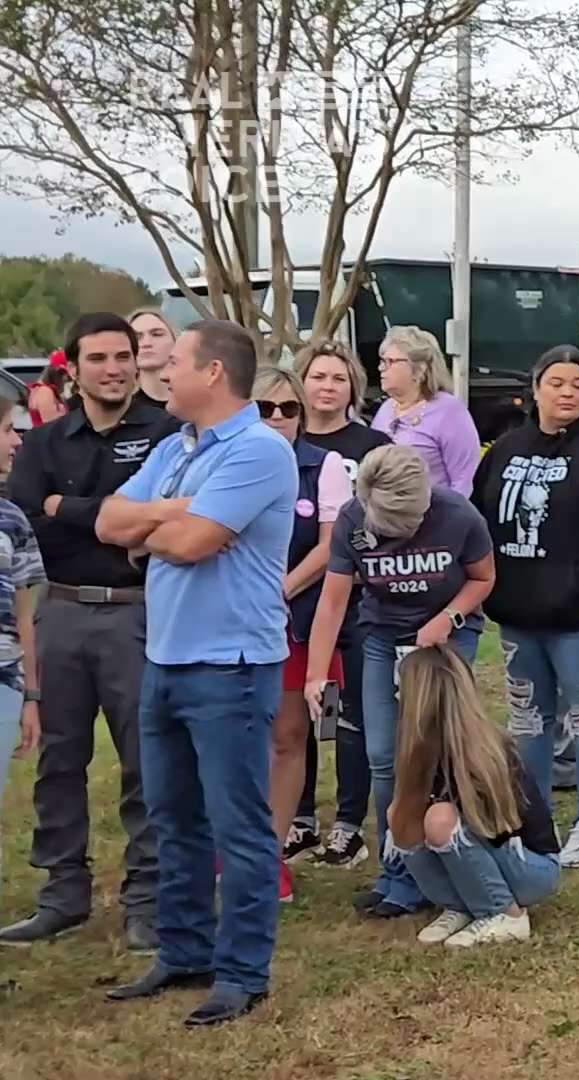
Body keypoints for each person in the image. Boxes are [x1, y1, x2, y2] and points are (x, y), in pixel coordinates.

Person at [95, 318, 296, 1027]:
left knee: (236, 825)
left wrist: (159, 526)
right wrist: (165, 515)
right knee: (173, 816)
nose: (161, 368)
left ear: (213, 372)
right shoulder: (174, 447)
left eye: (173, 359)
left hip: (231, 666)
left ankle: (243, 971)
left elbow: (189, 542)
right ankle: (185, 951)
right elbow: (106, 524)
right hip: (166, 660)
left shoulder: (260, 452)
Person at [2, 313, 176, 951]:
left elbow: (163, 521)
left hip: (140, 611)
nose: (114, 368)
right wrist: (115, 517)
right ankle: (61, 894)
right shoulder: (46, 443)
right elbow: (25, 521)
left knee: (145, 761)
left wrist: (67, 508)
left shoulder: (169, 434)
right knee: (59, 758)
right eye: (98, 358)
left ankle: (148, 901)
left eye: (123, 356)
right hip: (63, 610)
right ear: (73, 369)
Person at [303, 445, 494, 919]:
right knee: (384, 754)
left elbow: (483, 578)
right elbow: (332, 603)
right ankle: (400, 875)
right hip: (383, 637)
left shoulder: (458, 515)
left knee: (437, 751)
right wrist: (315, 673)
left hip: (446, 636)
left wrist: (448, 617)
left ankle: (456, 860)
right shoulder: (351, 520)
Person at [472, 346, 579, 867]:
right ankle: (534, 821)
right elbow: (479, 518)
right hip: (518, 613)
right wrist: (493, 587)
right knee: (527, 720)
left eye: (577, 383)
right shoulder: (505, 448)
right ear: (536, 388)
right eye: (557, 383)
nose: (568, 393)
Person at [288, 340, 391, 868]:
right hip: (297, 606)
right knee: (293, 717)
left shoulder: (373, 443)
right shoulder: (284, 438)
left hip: (359, 601)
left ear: (354, 386)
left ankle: (349, 825)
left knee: (351, 716)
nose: (327, 387)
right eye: (317, 376)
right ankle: (299, 818)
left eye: (338, 378)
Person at [253, 368, 350, 905]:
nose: (278, 419)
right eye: (265, 408)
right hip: (228, 623)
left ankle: (271, 855)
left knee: (289, 737)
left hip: (291, 621)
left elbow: (329, 547)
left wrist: (280, 591)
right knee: (234, 736)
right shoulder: (220, 462)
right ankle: (229, 847)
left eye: (289, 409)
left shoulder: (324, 466)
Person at [389, 645, 561, 948]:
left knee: (440, 819)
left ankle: (505, 914)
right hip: (487, 858)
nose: (396, 696)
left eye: (401, 688)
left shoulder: (484, 752)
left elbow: (496, 829)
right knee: (400, 814)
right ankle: (460, 906)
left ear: (423, 698)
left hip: (531, 865)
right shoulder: (420, 749)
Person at [0, 385, 46, 916]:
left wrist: (31, 694)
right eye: (9, 429)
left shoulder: (13, 518)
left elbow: (25, 612)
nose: (16, 441)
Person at [371, 326, 481, 496]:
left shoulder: (449, 411)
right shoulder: (386, 409)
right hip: (385, 515)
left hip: (436, 516)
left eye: (390, 362)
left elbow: (465, 479)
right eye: (381, 361)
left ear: (420, 369)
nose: (381, 368)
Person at [127, 308, 175, 410]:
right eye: (136, 337)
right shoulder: (121, 407)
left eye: (157, 334)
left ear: (175, 340)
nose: (146, 343)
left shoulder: (197, 399)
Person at [26, 352, 70, 427]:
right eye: (62, 373)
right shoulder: (45, 391)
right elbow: (51, 426)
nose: (65, 378)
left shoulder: (40, 389)